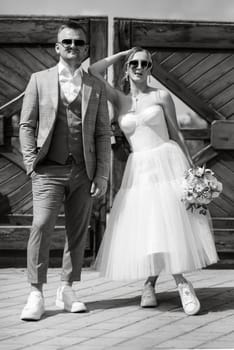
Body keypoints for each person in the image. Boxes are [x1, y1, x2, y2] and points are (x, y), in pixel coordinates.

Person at [88, 47, 219, 316]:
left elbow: (177, 133)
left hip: (167, 163)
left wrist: (192, 170)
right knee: (151, 227)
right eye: (134, 63)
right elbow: (92, 71)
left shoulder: (161, 96)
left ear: (150, 69)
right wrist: (122, 53)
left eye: (145, 63)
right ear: (127, 67)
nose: (139, 67)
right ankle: (149, 284)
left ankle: (182, 283)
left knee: (169, 225)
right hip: (139, 170)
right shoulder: (120, 99)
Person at [19, 22, 111, 321]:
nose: (73, 46)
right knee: (41, 225)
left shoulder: (95, 85)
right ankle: (35, 292)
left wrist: (102, 175)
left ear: (85, 49)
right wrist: (31, 161)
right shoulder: (39, 79)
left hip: (83, 171)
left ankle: (68, 288)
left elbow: (101, 133)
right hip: (47, 170)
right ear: (57, 47)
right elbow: (26, 125)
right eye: (67, 42)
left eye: (79, 43)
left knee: (77, 231)